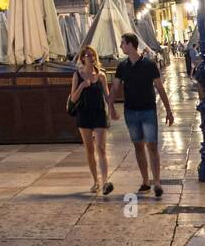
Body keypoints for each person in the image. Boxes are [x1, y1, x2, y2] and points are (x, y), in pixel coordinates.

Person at [110, 32, 174, 199]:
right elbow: (115, 88)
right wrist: (110, 106)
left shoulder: (149, 65)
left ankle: (157, 182)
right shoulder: (122, 67)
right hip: (130, 111)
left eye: (122, 43)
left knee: (152, 145)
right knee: (138, 145)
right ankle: (146, 181)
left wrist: (168, 110)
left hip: (148, 110)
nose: (121, 46)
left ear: (130, 45)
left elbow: (160, 88)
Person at [69, 45, 113, 195]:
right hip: (84, 114)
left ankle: (106, 181)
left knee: (101, 148)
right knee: (89, 149)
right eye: (87, 55)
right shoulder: (78, 75)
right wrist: (82, 86)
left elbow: (107, 96)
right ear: (82, 59)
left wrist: (112, 109)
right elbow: (73, 98)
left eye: (92, 55)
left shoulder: (101, 75)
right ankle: (96, 181)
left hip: (99, 113)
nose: (91, 57)